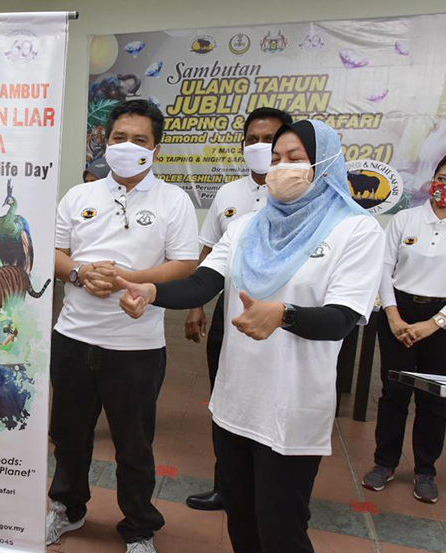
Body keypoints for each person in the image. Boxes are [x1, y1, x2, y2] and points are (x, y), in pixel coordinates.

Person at [118, 119, 384, 553]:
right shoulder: (247, 227)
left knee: (281, 529)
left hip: (292, 405)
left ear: (326, 163)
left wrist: (284, 315)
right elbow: (202, 283)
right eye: (275, 158)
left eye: (295, 158)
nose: (280, 167)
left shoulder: (355, 230)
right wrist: (152, 292)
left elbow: (342, 318)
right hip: (236, 401)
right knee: (241, 520)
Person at [46, 99, 198, 553]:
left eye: (139, 140)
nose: (127, 146)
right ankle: (67, 508)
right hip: (73, 338)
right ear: (105, 142)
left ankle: (138, 527)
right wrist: (79, 273)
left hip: (137, 346)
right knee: (69, 437)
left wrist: (127, 279)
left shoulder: (174, 201)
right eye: (119, 138)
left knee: (134, 445)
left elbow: (184, 264)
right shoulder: (79, 196)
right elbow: (54, 254)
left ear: (156, 149)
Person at [184, 107, 293, 512]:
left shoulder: (302, 197)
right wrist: (196, 305)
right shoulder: (229, 194)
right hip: (230, 311)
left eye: (270, 140)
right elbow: (208, 252)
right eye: (252, 140)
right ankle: (226, 486)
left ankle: (273, 491)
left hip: (282, 317)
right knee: (225, 394)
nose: (260, 146)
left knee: (277, 397)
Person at [362, 155, 446, 504]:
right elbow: (384, 268)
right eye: (442, 177)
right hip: (399, 312)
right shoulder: (405, 219)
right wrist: (394, 316)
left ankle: (425, 470)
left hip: (440, 321)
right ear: (433, 179)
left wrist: (433, 324)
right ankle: (384, 463)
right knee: (394, 393)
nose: (444, 186)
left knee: (433, 400)